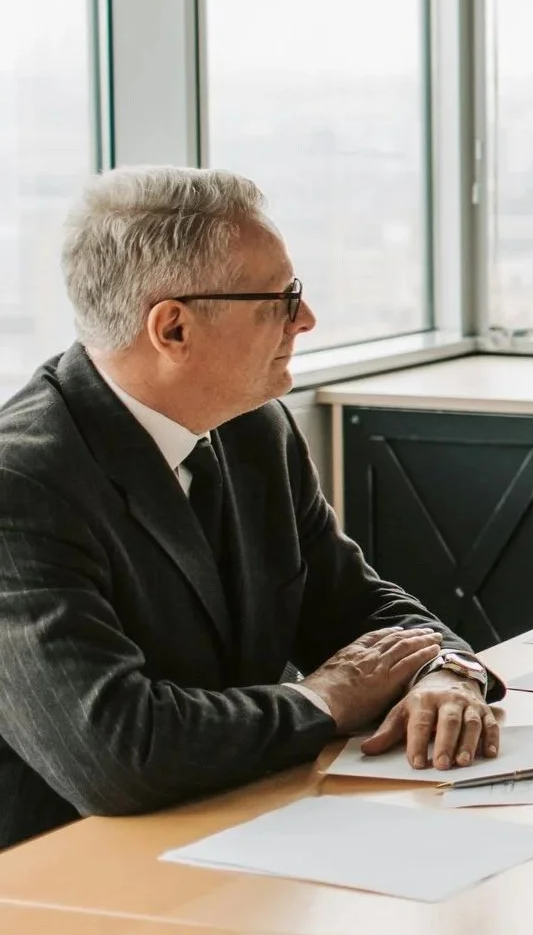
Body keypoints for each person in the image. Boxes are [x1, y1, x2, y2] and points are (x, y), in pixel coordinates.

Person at [0, 167, 503, 851]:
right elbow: (118, 749)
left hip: (240, 828)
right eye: (281, 297)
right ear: (172, 327)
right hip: (66, 883)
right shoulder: (21, 483)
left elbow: (355, 604)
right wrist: (323, 700)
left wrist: (445, 670)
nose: (306, 318)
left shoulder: (251, 425)